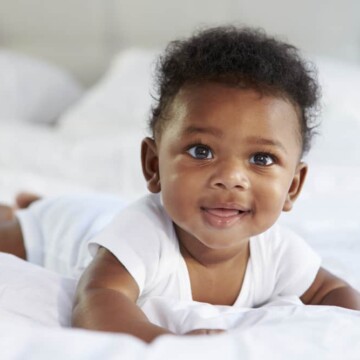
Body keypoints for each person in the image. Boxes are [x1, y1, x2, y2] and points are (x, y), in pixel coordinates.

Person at [1, 26, 360, 343]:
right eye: (201, 151)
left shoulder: (278, 252)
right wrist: (164, 341)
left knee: (87, 208)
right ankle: (29, 211)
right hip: (66, 227)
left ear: (293, 187)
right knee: (15, 232)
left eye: (261, 159)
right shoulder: (143, 234)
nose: (231, 178)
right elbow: (98, 296)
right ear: (153, 165)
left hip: (102, 212)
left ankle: (35, 201)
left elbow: (334, 291)